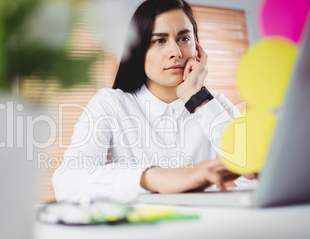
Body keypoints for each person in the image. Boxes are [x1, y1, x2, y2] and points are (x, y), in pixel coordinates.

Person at [52, 0, 255, 203]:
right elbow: (67, 183)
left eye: (184, 38)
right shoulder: (111, 104)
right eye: (159, 40)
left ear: (198, 50)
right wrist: (154, 178)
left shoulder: (214, 104)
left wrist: (198, 98)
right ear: (139, 50)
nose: (176, 52)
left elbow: (257, 179)